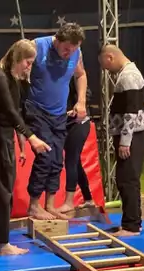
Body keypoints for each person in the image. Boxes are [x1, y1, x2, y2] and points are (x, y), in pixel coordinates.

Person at [0, 39, 50, 256]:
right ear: (17, 58)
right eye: (27, 62)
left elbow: (17, 109)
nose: (29, 67)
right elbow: (10, 111)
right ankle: (0, 242)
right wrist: (31, 138)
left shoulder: (9, 78)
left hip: (1, 137)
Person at [24, 23, 88, 220]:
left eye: (74, 49)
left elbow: (81, 74)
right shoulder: (37, 46)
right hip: (37, 109)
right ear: (57, 40)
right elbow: (12, 66)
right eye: (66, 48)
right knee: (45, 156)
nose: (69, 53)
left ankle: (49, 204)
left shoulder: (76, 54)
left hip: (59, 114)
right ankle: (33, 205)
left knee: (57, 160)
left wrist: (81, 101)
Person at [98, 44, 144, 237]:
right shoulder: (128, 73)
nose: (105, 69)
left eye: (104, 64)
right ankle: (132, 221)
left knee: (127, 180)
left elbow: (131, 112)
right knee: (127, 179)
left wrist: (125, 141)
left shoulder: (128, 76)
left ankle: (132, 226)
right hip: (132, 134)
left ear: (109, 57)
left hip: (132, 135)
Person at [55, 78, 95, 216]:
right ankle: (88, 198)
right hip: (64, 122)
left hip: (79, 122)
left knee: (71, 159)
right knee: (76, 162)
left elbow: (87, 93)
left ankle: (69, 202)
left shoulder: (73, 76)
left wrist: (79, 103)